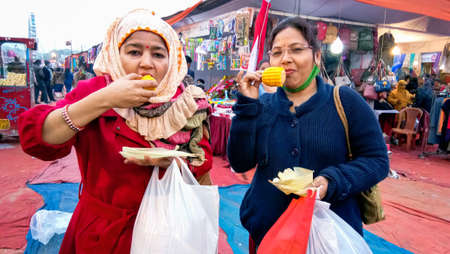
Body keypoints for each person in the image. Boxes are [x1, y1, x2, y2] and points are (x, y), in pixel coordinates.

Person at [18, 9, 213, 253]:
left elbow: (202, 166)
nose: (146, 63)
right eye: (134, 51)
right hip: (105, 235)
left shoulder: (187, 104)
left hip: (169, 230)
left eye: (158, 54)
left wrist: (174, 164)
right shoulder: (95, 92)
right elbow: (37, 140)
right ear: (116, 55)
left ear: (171, 61)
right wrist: (106, 98)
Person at [227, 17, 389, 249]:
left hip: (327, 239)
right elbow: (240, 163)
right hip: (267, 235)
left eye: (296, 49)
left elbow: (377, 161)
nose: (285, 59)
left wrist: (330, 181)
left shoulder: (345, 102)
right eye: (277, 52)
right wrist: (246, 106)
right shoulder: (262, 106)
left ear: (317, 56)